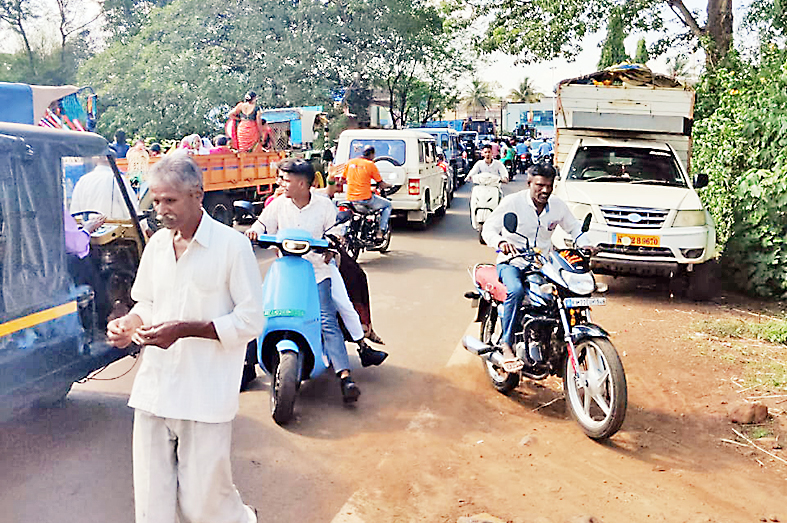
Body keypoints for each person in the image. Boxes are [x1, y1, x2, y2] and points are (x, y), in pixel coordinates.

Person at [107, 154, 264, 523]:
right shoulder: (159, 245)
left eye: (170, 200)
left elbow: (250, 319)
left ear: (197, 194)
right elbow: (146, 300)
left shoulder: (231, 246)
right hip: (155, 389)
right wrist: (128, 323)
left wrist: (184, 329)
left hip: (204, 393)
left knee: (205, 502)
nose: (160, 209)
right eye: (156, 200)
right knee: (151, 500)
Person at [245, 159, 373, 402]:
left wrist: (333, 240)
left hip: (318, 269)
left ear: (303, 183)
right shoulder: (278, 205)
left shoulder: (324, 205)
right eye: (280, 178)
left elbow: (336, 229)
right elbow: (262, 223)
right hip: (285, 268)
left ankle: (345, 376)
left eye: (285, 179)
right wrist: (253, 230)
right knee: (259, 310)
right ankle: (247, 364)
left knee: (327, 319)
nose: (280, 183)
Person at [481, 162, 592, 371]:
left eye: (549, 186)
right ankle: (506, 344)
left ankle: (554, 341)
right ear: (529, 183)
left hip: (544, 264)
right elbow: (489, 229)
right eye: (540, 185)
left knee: (560, 295)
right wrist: (501, 243)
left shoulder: (557, 206)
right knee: (515, 290)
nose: (545, 190)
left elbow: (574, 228)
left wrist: (585, 244)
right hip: (513, 261)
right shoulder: (512, 203)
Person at [342, 145, 392, 239]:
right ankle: (380, 231)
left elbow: (343, 179)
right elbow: (381, 184)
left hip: (350, 199)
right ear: (372, 154)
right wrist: (390, 185)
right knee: (388, 205)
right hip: (365, 199)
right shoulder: (370, 165)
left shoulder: (350, 162)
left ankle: (343, 235)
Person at [70, 155, 139, 220]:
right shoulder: (117, 179)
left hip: (88, 230)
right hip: (114, 230)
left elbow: (75, 213)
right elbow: (132, 211)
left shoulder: (83, 180)